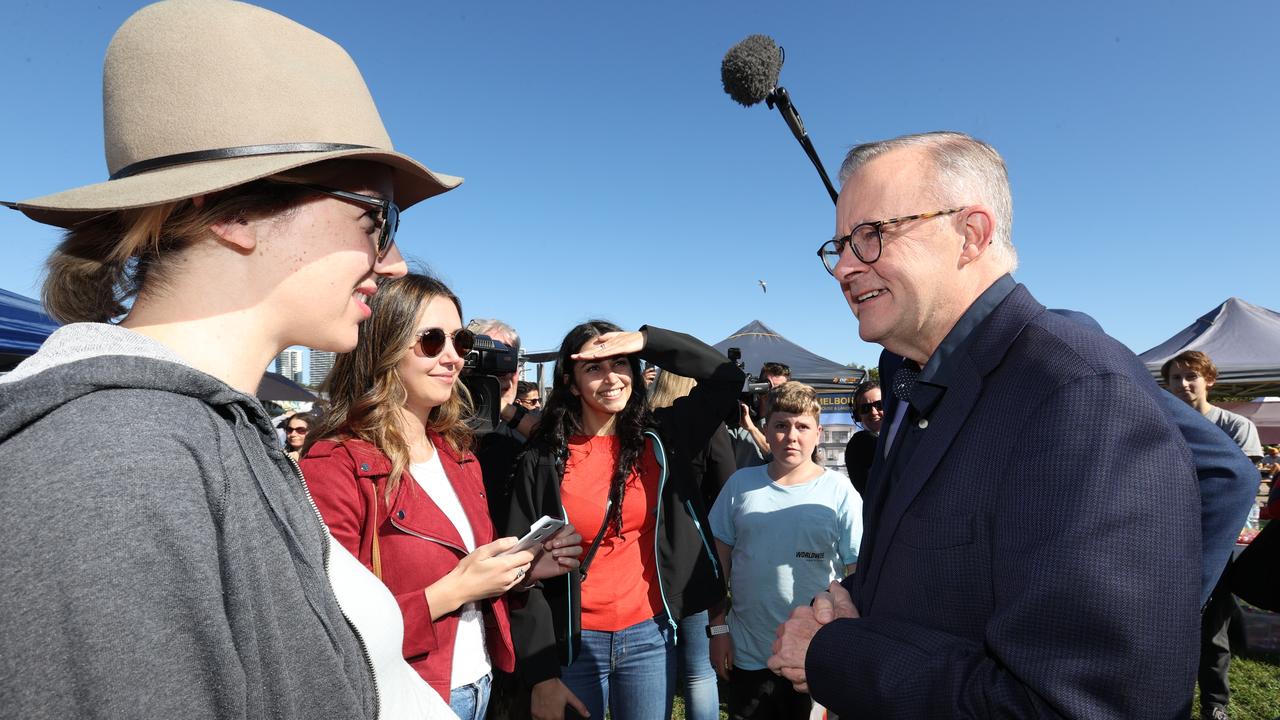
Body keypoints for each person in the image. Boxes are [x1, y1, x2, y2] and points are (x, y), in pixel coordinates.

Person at [0, 2, 461, 717]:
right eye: (377, 218)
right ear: (232, 214)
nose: (393, 262)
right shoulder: (117, 459)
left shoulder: (207, 435)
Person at [772, 131, 1201, 718]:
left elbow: (1078, 705)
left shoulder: (1079, 395)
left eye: (872, 235)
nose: (845, 266)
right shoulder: (917, 375)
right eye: (841, 243)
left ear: (971, 234)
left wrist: (841, 654)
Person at [299, 274, 583, 719]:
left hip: (481, 682)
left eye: (460, 340)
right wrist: (450, 592)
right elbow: (321, 623)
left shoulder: (459, 456)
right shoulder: (334, 464)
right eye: (432, 341)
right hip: (406, 692)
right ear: (384, 347)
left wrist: (525, 570)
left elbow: (477, 576)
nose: (454, 357)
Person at [505, 321, 742, 720]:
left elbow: (725, 378)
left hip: (650, 634)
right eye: (593, 368)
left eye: (620, 363)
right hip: (572, 643)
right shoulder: (543, 458)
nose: (611, 377)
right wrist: (542, 674)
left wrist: (647, 341)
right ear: (571, 383)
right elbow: (517, 570)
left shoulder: (661, 438)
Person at [708, 381, 861, 719]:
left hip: (815, 659)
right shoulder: (739, 485)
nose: (792, 436)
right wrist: (718, 629)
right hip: (749, 654)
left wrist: (846, 646)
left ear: (818, 433)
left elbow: (855, 573)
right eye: (781, 425)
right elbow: (718, 563)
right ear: (765, 429)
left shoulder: (841, 492)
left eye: (802, 426)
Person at [1162, 350, 1263, 720]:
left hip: (1215, 542)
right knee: (1168, 626)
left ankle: (1214, 705)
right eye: (1176, 378)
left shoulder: (1235, 426)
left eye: (1191, 376)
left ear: (1209, 380)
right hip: (1169, 538)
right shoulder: (1162, 423)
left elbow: (1242, 485)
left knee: (1213, 630)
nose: (1184, 384)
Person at [648, 368, 737, 720]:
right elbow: (729, 480)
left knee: (658, 665)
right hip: (696, 551)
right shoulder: (705, 425)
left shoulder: (644, 427)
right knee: (700, 669)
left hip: (652, 554)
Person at [841, 380, 882, 498]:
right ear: (857, 414)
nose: (873, 412)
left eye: (879, 405)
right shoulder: (861, 443)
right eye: (865, 408)